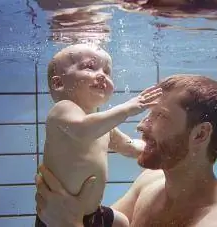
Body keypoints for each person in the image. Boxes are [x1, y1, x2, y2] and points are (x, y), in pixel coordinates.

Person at [35, 74, 217, 227]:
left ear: (200, 134)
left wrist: (68, 224)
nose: (141, 126)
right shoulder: (149, 183)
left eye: (160, 116)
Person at [35, 43, 162, 227]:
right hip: (55, 217)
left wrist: (155, 148)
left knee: (122, 222)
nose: (102, 75)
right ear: (59, 83)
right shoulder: (63, 110)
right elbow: (83, 130)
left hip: (92, 213)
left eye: (107, 71)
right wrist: (127, 109)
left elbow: (128, 146)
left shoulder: (101, 125)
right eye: (89, 67)